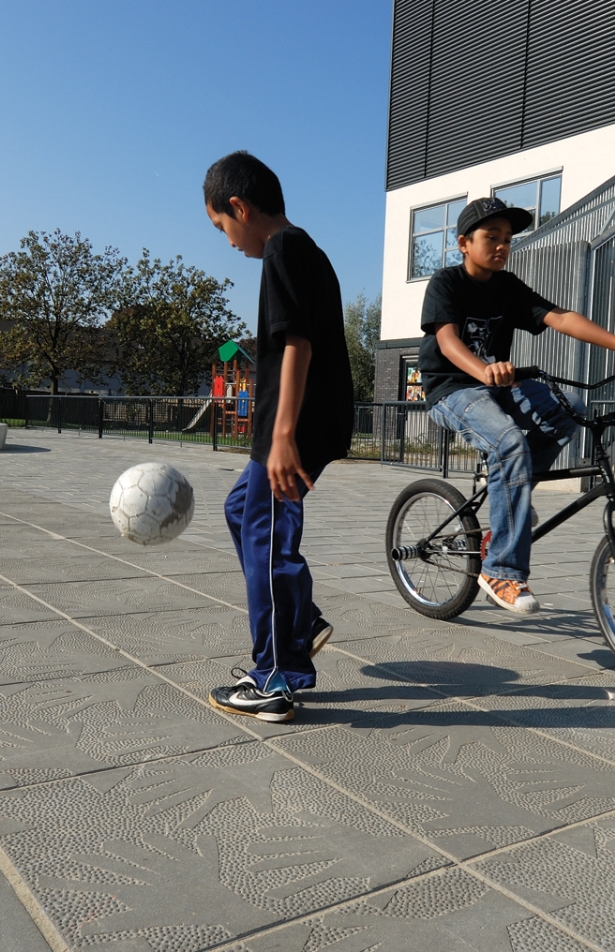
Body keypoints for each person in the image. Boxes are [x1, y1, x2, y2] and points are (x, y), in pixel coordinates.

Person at [419, 196, 615, 614]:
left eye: (508, 239)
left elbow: (560, 317)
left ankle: (509, 506)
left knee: (569, 409)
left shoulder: (508, 287)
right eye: (492, 237)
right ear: (463, 243)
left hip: (501, 382)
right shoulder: (446, 282)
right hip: (452, 388)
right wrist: (483, 370)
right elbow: (448, 342)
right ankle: (501, 570)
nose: (502, 246)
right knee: (509, 441)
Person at [202, 151, 353, 723]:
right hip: (303, 423)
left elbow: (297, 345)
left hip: (297, 426)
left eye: (223, 227)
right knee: (242, 508)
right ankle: (300, 621)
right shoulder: (308, 249)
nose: (229, 240)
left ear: (239, 206)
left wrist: (283, 436)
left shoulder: (284, 252)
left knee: (265, 538)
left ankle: (275, 677)